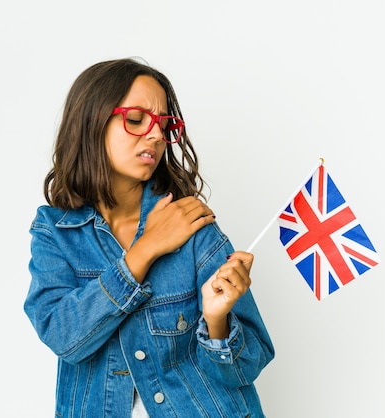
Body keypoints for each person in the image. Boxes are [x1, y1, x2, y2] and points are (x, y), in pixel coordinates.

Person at [23, 57, 275, 418]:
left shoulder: (192, 225)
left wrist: (217, 322)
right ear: (92, 122)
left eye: (163, 124)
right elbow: (64, 338)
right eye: (137, 119)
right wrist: (145, 250)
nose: (156, 136)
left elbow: (246, 367)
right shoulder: (55, 231)